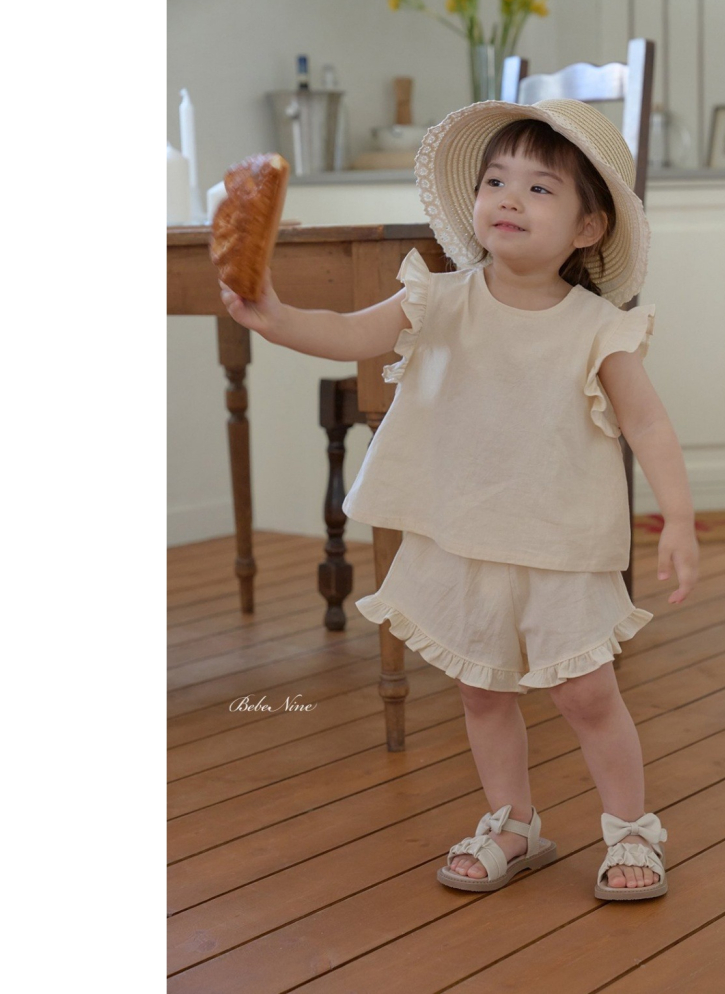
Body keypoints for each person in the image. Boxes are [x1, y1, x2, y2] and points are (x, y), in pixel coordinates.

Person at [219, 99, 699, 901]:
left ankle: (629, 829)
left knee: (586, 693)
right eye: (495, 181)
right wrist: (274, 318)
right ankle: (514, 823)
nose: (509, 198)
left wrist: (677, 517)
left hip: (561, 543)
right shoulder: (439, 298)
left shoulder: (597, 328)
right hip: (463, 533)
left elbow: (648, 424)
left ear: (587, 228)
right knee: (481, 690)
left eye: (540, 189)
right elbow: (348, 332)